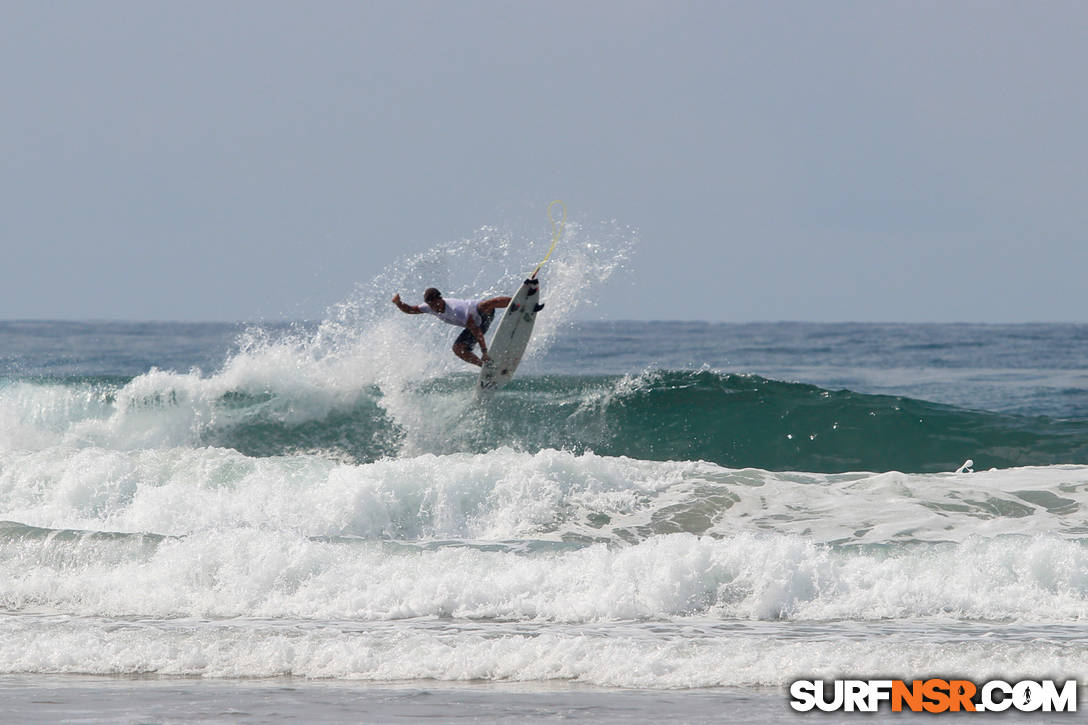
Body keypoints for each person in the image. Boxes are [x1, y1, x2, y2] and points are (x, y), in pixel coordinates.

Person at [392, 287, 511, 367]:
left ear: (441, 299)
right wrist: (398, 303)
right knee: (458, 349)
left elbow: (476, 331)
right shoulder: (428, 307)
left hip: (483, 315)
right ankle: (485, 366)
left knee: (485, 304)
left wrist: (484, 352)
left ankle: (519, 302)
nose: (435, 308)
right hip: (478, 325)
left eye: (437, 304)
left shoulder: (456, 309)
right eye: (432, 305)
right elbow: (410, 310)